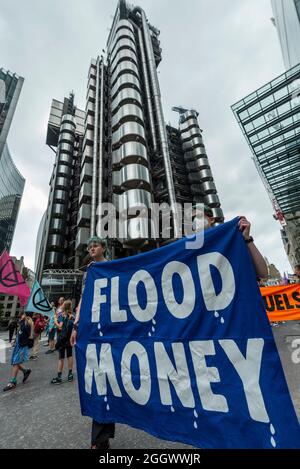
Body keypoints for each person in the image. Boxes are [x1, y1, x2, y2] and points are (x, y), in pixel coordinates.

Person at [70, 237, 114, 450]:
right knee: (97, 378)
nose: (91, 248)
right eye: (89, 247)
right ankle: (99, 438)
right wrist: (76, 326)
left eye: (95, 245)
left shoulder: (112, 266)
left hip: (112, 329)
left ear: (103, 248)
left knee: (111, 377)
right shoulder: (89, 273)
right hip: (91, 329)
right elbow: (83, 300)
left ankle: (101, 436)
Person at [191, 204, 268, 279]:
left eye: (199, 216)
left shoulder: (231, 240)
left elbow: (263, 273)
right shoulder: (190, 250)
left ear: (211, 219)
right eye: (192, 219)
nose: (195, 220)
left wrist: (247, 239)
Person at [3, 312, 33, 391]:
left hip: (22, 346)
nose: (20, 315)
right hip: (18, 345)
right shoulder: (23, 323)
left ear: (26, 316)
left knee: (16, 363)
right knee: (14, 361)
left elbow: (26, 334)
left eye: (23, 314)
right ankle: (26, 371)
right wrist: (15, 340)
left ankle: (12, 382)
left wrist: (23, 320)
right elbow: (20, 333)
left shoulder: (27, 324)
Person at [51, 300, 74, 384]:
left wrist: (55, 320)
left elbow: (60, 327)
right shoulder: (72, 316)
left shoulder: (62, 315)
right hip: (69, 338)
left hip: (62, 339)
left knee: (61, 358)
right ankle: (70, 374)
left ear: (64, 306)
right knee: (70, 355)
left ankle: (59, 377)